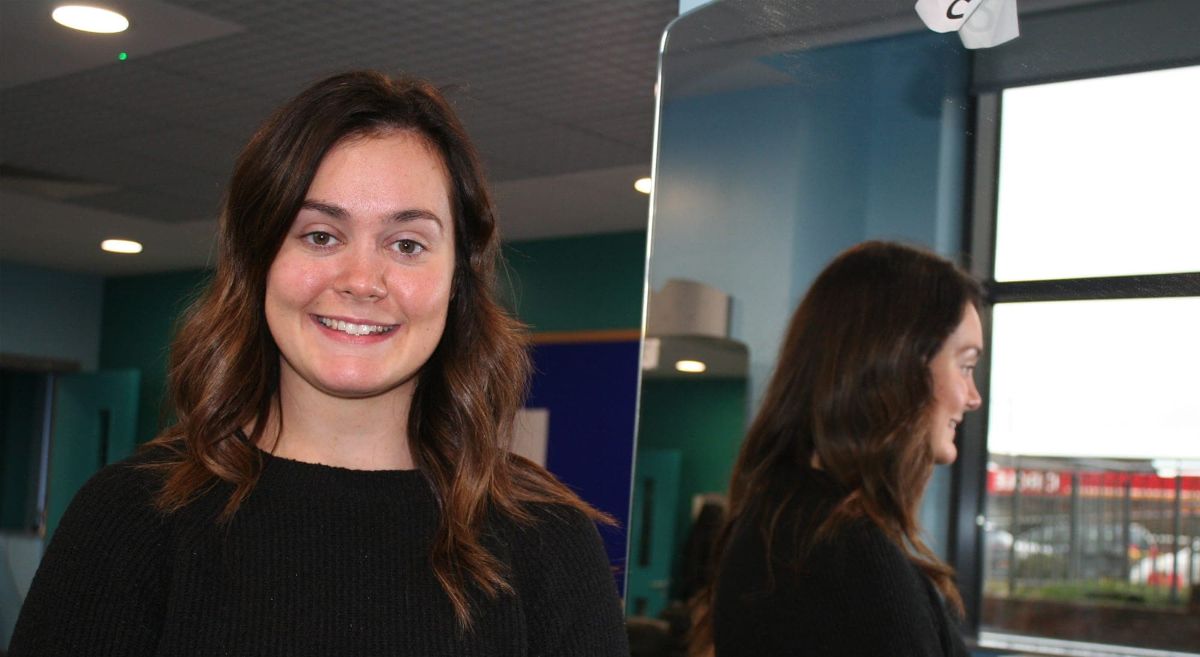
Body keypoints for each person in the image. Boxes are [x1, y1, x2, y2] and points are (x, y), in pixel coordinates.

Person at [10, 71, 629, 656]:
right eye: (320, 236)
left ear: (457, 282)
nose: (362, 281)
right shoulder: (132, 516)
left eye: (407, 244)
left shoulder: (545, 538)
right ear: (258, 262)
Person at [690, 241, 984, 657]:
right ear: (898, 364)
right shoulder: (851, 556)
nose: (974, 397)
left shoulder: (781, 519)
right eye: (966, 366)